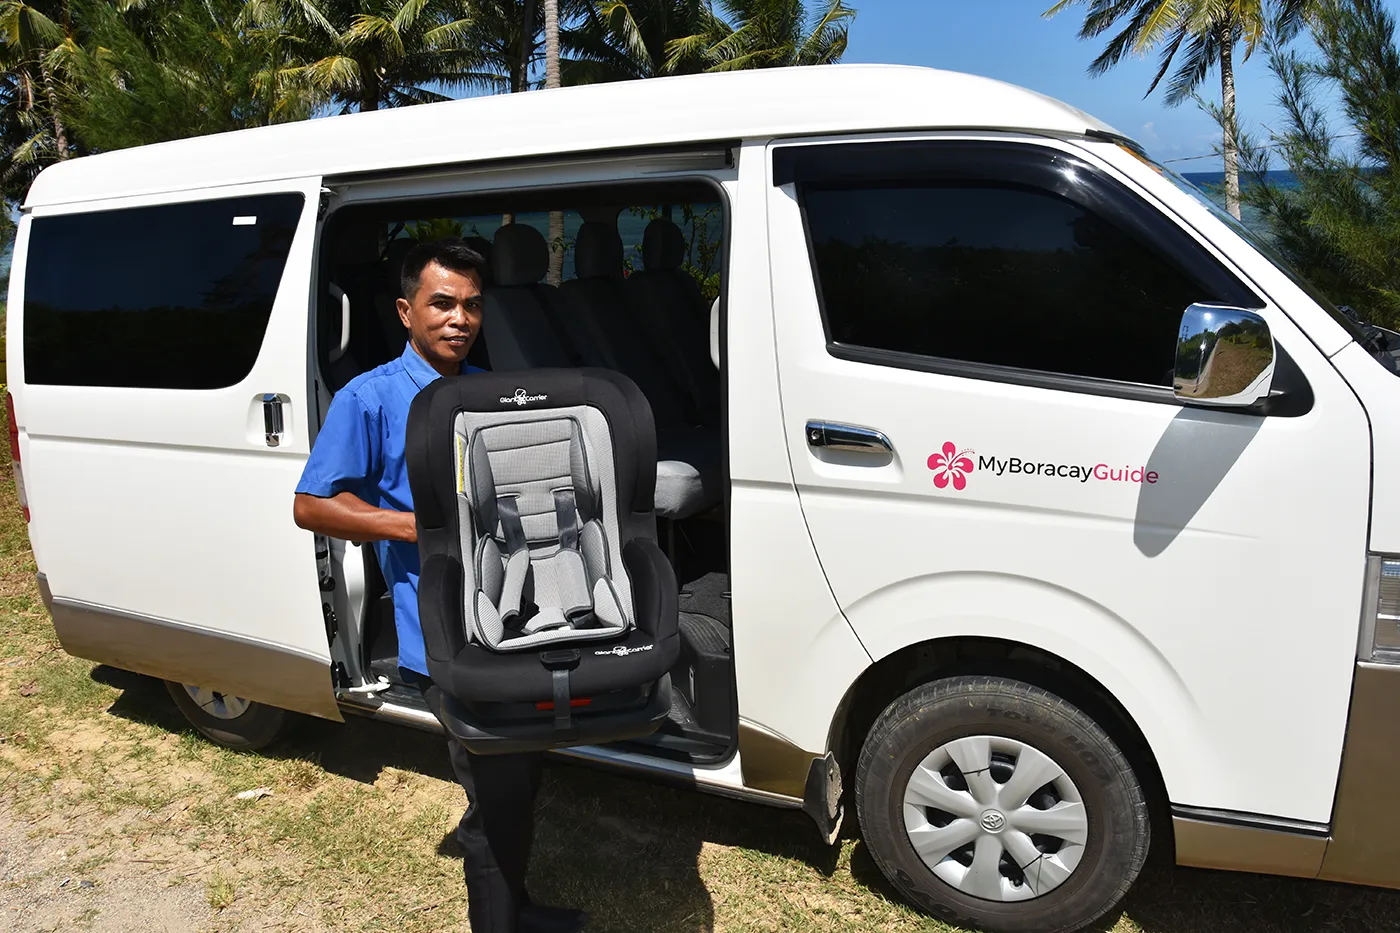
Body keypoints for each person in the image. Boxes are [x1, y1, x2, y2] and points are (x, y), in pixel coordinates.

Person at [292, 238, 587, 933]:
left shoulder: (487, 389)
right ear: (406, 310)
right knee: (495, 786)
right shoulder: (370, 399)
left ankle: (518, 907)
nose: (460, 318)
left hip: (514, 612)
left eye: (473, 305)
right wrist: (413, 528)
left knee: (520, 773)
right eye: (442, 303)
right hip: (444, 631)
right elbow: (312, 503)